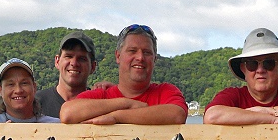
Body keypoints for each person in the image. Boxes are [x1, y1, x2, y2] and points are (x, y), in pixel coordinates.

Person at [60, 24, 188, 125]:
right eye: (132, 51)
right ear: (118, 56)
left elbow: (177, 115)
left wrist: (116, 117)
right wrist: (127, 103)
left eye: (147, 52)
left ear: (154, 59)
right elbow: (67, 113)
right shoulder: (101, 94)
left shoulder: (166, 91)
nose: (140, 57)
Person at [36, 31, 98, 119]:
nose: (74, 63)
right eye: (68, 56)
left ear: (93, 67)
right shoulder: (35, 103)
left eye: (82, 59)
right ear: (57, 61)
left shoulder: (100, 105)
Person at [0, 58, 58, 123]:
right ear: (0, 90)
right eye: (10, 84)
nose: (18, 90)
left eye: (24, 83)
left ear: (34, 87)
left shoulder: (55, 126)